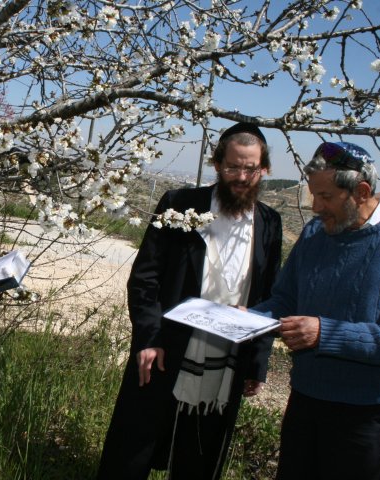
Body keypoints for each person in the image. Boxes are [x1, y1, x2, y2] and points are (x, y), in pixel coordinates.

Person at [97, 122, 283, 480]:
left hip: (227, 357)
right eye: (233, 167)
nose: (242, 177)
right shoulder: (179, 205)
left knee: (201, 450)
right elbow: (145, 279)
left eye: (251, 169)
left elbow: (269, 294)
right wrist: (149, 339)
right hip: (166, 348)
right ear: (217, 164)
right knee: (134, 445)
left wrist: (257, 362)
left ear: (265, 170)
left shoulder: (270, 223)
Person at [251, 142, 380, 480]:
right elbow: (285, 301)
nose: (315, 207)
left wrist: (325, 334)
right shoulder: (314, 234)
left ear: (361, 191)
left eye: (325, 197)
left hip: (371, 415)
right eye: (313, 195)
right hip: (307, 401)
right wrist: (245, 318)